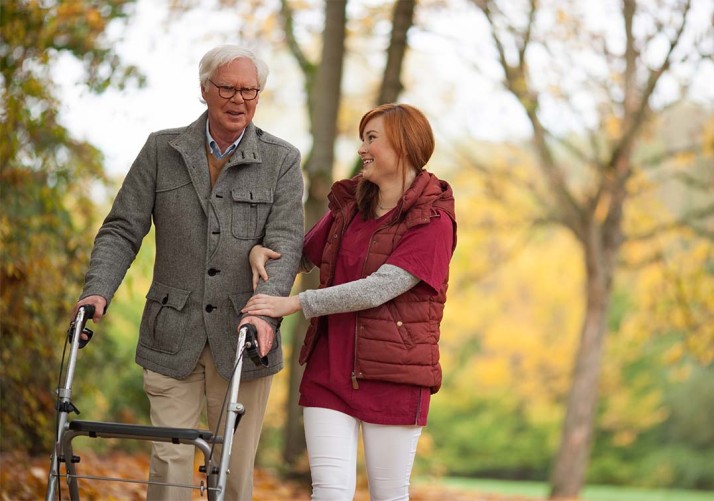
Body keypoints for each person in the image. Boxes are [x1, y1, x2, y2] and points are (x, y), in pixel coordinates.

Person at [72, 44, 304, 500]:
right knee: (170, 460)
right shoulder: (163, 149)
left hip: (244, 338)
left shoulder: (282, 159)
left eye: (249, 90)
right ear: (204, 90)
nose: (239, 99)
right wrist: (97, 290)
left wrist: (264, 314)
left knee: (233, 472)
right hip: (171, 329)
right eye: (228, 88)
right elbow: (121, 229)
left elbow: (285, 245)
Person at [243, 103, 457, 500]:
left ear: (404, 147)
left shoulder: (434, 220)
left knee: (388, 493)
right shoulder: (351, 205)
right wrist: (263, 251)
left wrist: (295, 303)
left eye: (372, 139)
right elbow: (304, 254)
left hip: (394, 374)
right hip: (330, 369)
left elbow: (379, 288)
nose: (362, 149)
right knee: (328, 492)